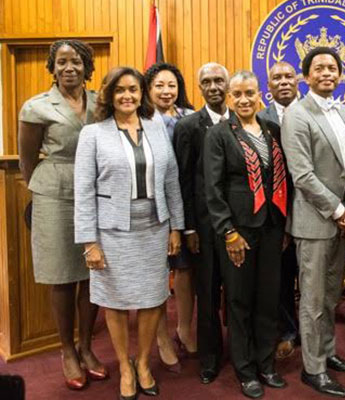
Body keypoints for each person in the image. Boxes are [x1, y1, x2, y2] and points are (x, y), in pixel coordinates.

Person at [74, 66, 184, 400]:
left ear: (142, 93)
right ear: (109, 94)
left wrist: (176, 226)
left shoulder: (156, 128)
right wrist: (90, 242)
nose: (128, 96)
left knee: (153, 299)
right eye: (120, 90)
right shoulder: (92, 134)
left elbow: (171, 182)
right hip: (111, 232)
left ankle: (144, 364)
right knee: (116, 302)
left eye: (134, 89)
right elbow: (83, 192)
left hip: (154, 227)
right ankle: (124, 365)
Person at [17, 39, 107, 390]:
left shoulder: (101, 101)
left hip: (96, 192)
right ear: (52, 67)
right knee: (61, 274)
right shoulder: (36, 107)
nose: (69, 68)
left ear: (87, 66)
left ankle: (87, 346)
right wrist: (42, 187)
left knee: (91, 272)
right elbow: (27, 160)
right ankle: (67, 349)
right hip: (54, 192)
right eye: (62, 62)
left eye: (76, 62)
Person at [281, 47, 345, 398]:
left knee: (331, 295)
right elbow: (302, 175)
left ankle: (328, 353)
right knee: (313, 299)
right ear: (306, 76)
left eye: (332, 67)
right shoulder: (298, 114)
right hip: (315, 221)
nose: (327, 72)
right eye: (319, 68)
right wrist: (337, 209)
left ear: (341, 74)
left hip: (344, 216)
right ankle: (313, 369)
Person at [204, 70, 290, 399]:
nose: (243, 100)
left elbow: (284, 180)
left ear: (260, 96)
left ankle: (266, 364)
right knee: (239, 301)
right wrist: (228, 231)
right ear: (229, 98)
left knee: (268, 298)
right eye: (237, 94)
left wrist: (283, 225)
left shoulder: (273, 130)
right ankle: (245, 369)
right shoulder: (219, 134)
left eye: (249, 93)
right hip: (238, 231)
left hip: (271, 228)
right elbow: (213, 189)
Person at [173, 62, 232, 384]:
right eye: (206, 81)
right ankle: (209, 359)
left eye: (218, 80)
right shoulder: (187, 127)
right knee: (207, 295)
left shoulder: (240, 122)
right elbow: (182, 180)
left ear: (228, 85)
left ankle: (240, 353)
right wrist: (189, 228)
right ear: (199, 88)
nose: (213, 87)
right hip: (203, 229)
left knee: (237, 295)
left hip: (237, 228)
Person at [144, 62, 197, 372]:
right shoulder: (139, 120)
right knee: (157, 276)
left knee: (186, 270)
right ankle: (162, 337)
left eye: (172, 85)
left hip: (184, 204)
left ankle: (185, 329)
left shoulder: (190, 118)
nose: (166, 91)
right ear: (148, 90)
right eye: (159, 85)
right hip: (151, 208)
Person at [258, 61, 301, 360]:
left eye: (288, 76)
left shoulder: (314, 111)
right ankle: (288, 331)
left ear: (298, 81)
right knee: (282, 278)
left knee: (313, 281)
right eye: (277, 78)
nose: (283, 81)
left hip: (314, 209)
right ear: (268, 85)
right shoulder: (258, 119)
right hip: (276, 214)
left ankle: (317, 336)